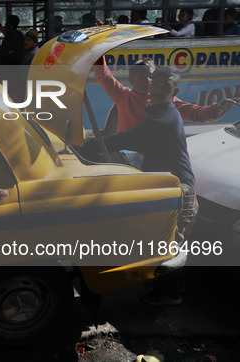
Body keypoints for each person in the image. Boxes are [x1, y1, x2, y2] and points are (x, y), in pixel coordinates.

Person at [83, 66, 198, 305]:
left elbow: (124, 138)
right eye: (154, 84)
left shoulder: (161, 118)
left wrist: (88, 145)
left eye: (164, 87)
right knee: (164, 238)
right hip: (166, 182)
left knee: (172, 241)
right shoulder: (159, 110)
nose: (155, 89)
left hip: (179, 187)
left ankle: (171, 294)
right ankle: (167, 283)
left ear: (173, 90)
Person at [94, 55, 237, 133]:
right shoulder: (122, 95)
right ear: (132, 79)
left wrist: (219, 106)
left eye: (152, 76)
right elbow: (103, 75)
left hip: (153, 160)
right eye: (143, 76)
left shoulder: (167, 100)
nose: (149, 80)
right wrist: (99, 50)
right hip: (126, 159)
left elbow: (197, 114)